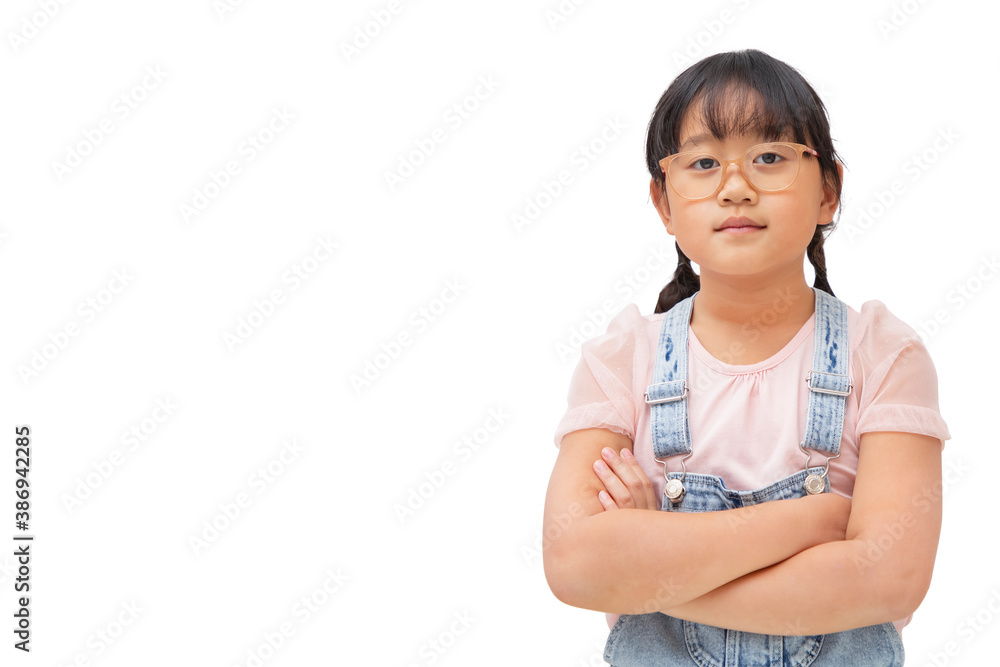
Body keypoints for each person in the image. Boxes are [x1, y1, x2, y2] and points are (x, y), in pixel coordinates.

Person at [542, 49, 951, 666]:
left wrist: (654, 565)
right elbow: (574, 563)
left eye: (770, 158)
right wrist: (817, 522)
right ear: (664, 203)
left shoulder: (886, 356)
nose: (736, 187)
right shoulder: (623, 359)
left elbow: (889, 579)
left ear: (828, 193)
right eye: (703, 163)